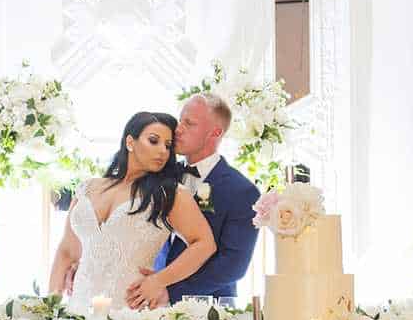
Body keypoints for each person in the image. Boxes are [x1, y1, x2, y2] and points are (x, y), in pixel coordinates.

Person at [49, 111, 216, 308]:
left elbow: (205, 244)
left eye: (168, 145)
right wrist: (50, 308)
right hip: (79, 307)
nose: (163, 150)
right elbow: (67, 252)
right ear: (130, 142)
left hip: (131, 313)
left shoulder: (171, 194)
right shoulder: (88, 188)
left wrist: (159, 280)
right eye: (154, 141)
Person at [148, 92, 259, 306]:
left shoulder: (242, 191)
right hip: (149, 305)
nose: (178, 128)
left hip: (208, 313)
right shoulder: (161, 177)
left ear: (215, 132)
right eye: (180, 120)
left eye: (189, 123)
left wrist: (170, 292)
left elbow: (233, 264)